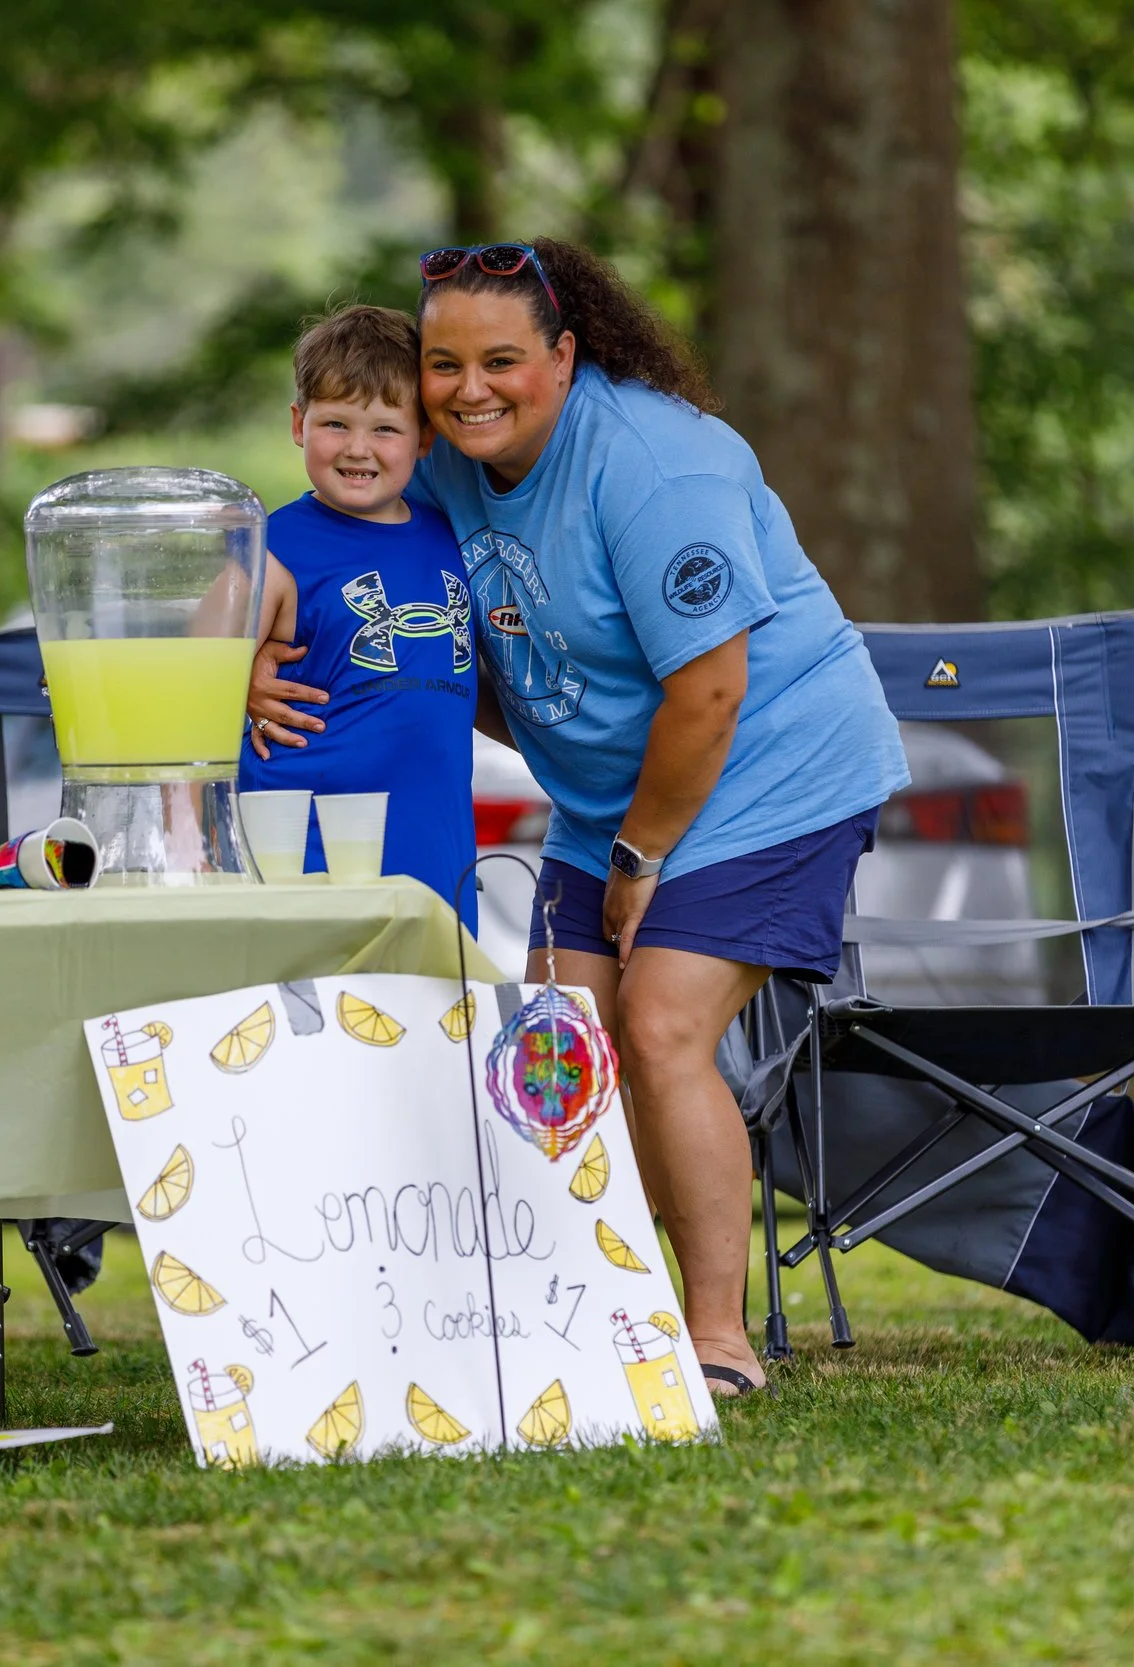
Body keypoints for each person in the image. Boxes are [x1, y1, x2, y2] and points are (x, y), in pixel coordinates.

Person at [250, 241, 909, 1397]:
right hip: (613, 795)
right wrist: (250, 656)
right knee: (557, 1042)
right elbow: (375, 580)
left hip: (768, 767)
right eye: (443, 365)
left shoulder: (658, 466)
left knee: (659, 1027)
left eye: (501, 360)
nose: (468, 389)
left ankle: (711, 1337)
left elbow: (710, 693)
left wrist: (643, 857)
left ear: (564, 355)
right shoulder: (452, 459)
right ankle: (598, 1304)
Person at [240, 304, 478, 927]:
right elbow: (191, 683)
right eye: (335, 423)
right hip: (307, 869)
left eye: (385, 429)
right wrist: (238, 683)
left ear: (426, 437)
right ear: (298, 423)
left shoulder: (452, 537)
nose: (357, 449)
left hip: (437, 864)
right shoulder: (270, 548)